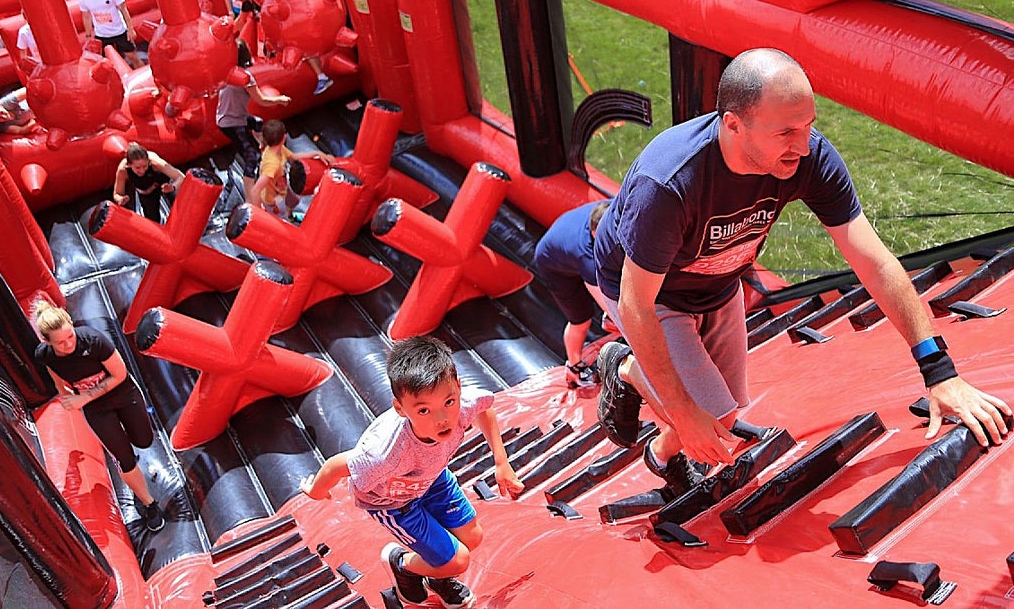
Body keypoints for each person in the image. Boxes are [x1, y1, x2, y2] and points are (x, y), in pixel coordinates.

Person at [593, 47, 1011, 493]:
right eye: (787, 131)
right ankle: (624, 368)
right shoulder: (668, 184)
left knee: (726, 412)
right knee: (712, 416)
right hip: (651, 293)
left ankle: (662, 456)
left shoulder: (808, 157)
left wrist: (939, 369)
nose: (804, 144)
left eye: (809, 124)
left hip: (719, 279)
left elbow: (872, 260)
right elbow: (635, 305)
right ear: (733, 124)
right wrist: (681, 410)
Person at [300, 335, 523, 609]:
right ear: (400, 409)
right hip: (393, 501)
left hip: (433, 478)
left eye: (448, 402)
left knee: (472, 537)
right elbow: (338, 465)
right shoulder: (385, 454)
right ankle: (401, 564)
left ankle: (438, 575)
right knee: (459, 559)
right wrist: (316, 491)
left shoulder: (462, 404)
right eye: (424, 410)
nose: (441, 419)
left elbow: (484, 411)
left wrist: (502, 462)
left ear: (458, 389)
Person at [32, 300, 165, 532]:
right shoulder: (45, 355)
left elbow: (119, 374)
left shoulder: (93, 341)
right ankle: (149, 503)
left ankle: (130, 453)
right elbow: (55, 374)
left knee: (144, 440)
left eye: (70, 337)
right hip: (97, 409)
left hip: (122, 392)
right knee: (124, 457)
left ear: (73, 326)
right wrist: (65, 395)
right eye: (60, 343)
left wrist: (84, 397)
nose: (68, 344)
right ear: (47, 342)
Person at [532, 200, 616, 396]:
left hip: (565, 237)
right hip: (553, 265)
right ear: (596, 234)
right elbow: (608, 303)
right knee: (581, 319)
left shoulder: (616, 209)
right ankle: (575, 368)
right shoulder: (587, 257)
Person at [217, 39, 291, 197]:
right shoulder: (244, 77)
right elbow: (261, 100)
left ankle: (260, 145)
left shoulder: (225, 71)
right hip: (232, 123)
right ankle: (251, 197)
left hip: (227, 118)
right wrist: (280, 99)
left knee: (257, 123)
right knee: (251, 157)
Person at [249, 118, 334, 221]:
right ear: (284, 138)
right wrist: (261, 216)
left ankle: (290, 216)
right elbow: (255, 190)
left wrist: (317, 153)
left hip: (282, 187)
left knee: (294, 201)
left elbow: (295, 156)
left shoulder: (278, 149)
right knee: (282, 217)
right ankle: (288, 221)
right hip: (273, 199)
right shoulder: (272, 165)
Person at [77, 0, 144, 69]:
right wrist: (89, 35)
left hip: (119, 31)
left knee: (132, 56)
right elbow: (86, 16)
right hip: (102, 34)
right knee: (105, 64)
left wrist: (130, 29)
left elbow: (124, 10)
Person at [113, 142, 184, 224]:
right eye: (137, 168)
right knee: (153, 220)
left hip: (165, 184)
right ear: (129, 165)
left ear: (148, 161)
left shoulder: (155, 162)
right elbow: (117, 194)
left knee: (179, 206)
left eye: (145, 166)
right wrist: (121, 199)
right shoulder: (123, 170)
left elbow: (181, 177)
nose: (142, 171)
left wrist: (173, 187)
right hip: (146, 192)